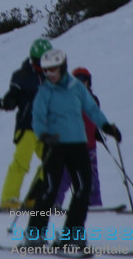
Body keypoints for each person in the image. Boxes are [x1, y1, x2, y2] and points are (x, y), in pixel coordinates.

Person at [19, 49, 122, 253]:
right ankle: (34, 235)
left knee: (83, 188)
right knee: (50, 189)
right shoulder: (45, 91)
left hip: (78, 145)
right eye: (46, 71)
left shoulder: (77, 88)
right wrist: (43, 135)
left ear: (63, 67)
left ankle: (72, 234)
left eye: (54, 70)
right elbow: (37, 118)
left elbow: (92, 109)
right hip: (55, 146)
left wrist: (107, 126)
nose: (51, 75)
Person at [0, 37, 52, 210]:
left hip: (46, 128)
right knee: (21, 162)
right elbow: (12, 95)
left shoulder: (53, 78)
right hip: (27, 126)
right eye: (39, 60)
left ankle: (34, 198)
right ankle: (8, 198)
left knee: (51, 164)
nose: (43, 65)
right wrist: (8, 102)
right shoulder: (22, 76)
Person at [54, 67, 104, 209]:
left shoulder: (93, 100)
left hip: (89, 147)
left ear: (88, 83)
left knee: (92, 177)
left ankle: (94, 203)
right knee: (64, 176)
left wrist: (97, 131)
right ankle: (55, 203)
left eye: (84, 81)